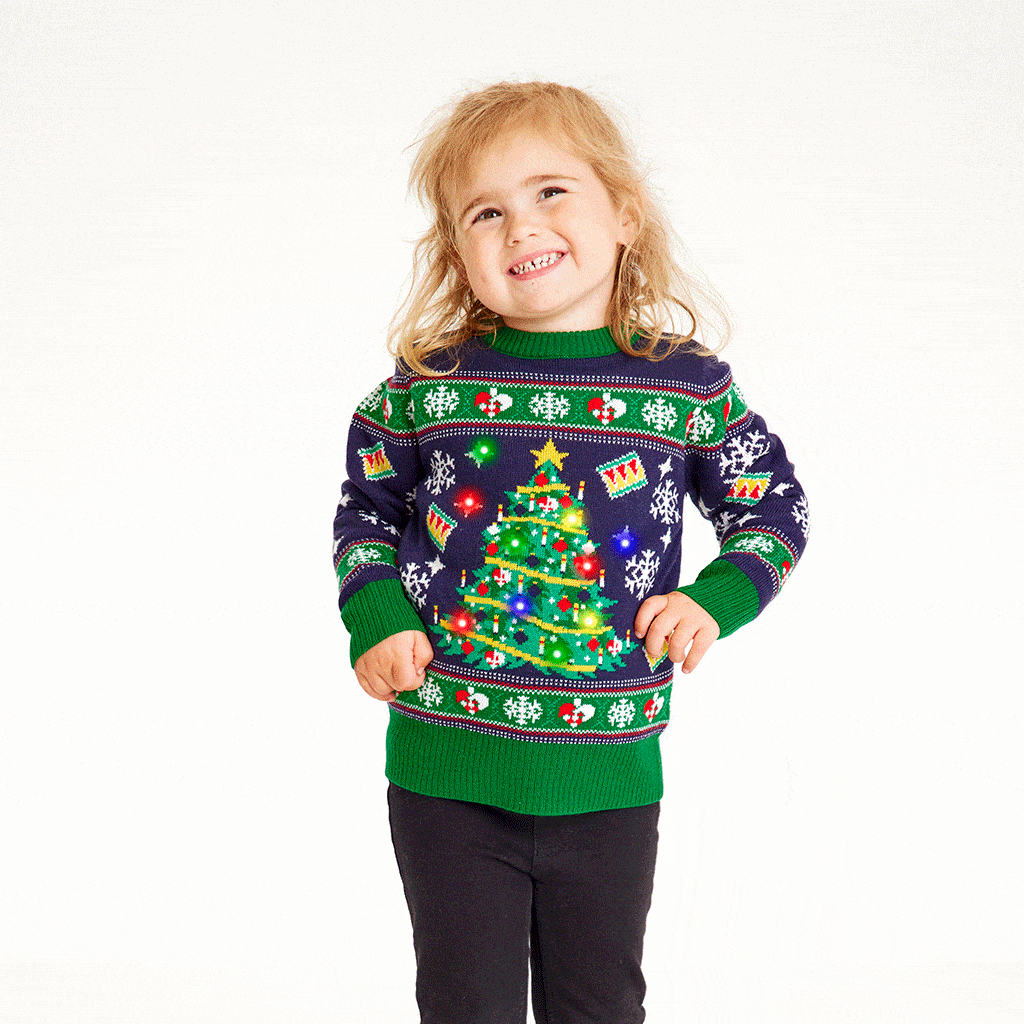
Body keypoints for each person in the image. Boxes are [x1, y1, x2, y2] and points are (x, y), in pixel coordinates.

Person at [332, 80, 809, 1024]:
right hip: (446, 771)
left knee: (599, 1006)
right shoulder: (427, 388)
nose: (522, 226)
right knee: (465, 1005)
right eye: (485, 212)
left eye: (551, 191)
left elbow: (773, 507)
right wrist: (376, 616)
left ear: (625, 214)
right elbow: (365, 515)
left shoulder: (683, 389)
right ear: (456, 252)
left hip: (609, 775)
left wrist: (713, 599)